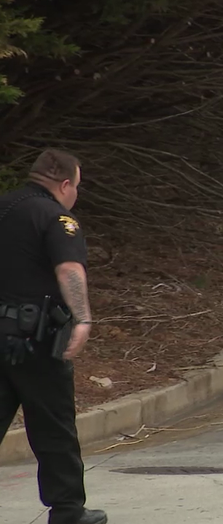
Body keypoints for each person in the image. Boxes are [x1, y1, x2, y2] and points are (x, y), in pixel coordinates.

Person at [0, 149, 107, 523]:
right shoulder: (57, 217)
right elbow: (68, 269)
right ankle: (67, 511)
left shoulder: (4, 207)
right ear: (64, 184)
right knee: (53, 426)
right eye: (77, 186)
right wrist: (82, 318)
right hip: (36, 340)